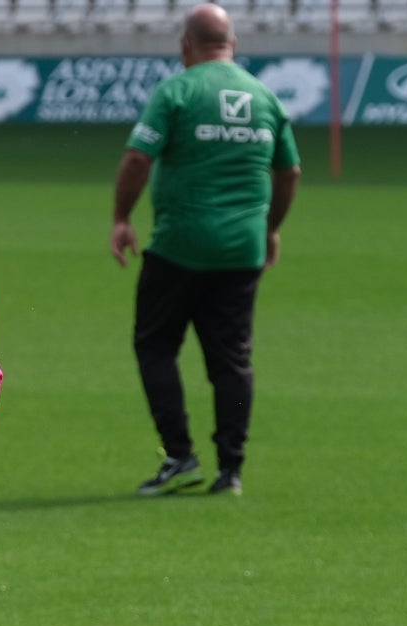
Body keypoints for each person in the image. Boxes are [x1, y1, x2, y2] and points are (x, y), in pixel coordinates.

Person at [110, 2, 300, 498]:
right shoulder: (264, 97)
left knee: (154, 346)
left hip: (178, 245)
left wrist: (122, 218)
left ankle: (180, 455)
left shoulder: (177, 90)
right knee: (232, 361)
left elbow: (136, 159)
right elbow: (290, 171)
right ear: (232, 45)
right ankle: (231, 469)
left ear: (185, 47)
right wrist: (272, 228)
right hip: (242, 250)